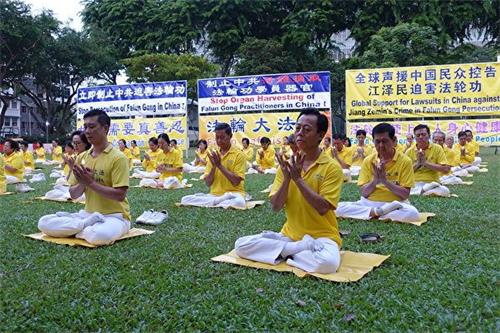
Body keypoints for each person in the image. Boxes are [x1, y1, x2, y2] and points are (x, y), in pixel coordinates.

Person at [234, 109, 343, 274]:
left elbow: (322, 208)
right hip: (290, 236)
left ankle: (283, 252)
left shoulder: (331, 167)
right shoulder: (286, 166)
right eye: (297, 128)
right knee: (241, 245)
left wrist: (298, 179)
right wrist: (287, 178)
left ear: (320, 135)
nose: (299, 134)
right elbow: (276, 206)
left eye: (306, 130)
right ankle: (296, 249)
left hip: (323, 237)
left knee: (327, 264)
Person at [38, 109, 131, 245]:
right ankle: (85, 225)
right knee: (44, 222)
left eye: (92, 127)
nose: (87, 131)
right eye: (85, 127)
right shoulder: (82, 157)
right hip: (88, 215)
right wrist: (83, 183)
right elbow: (73, 195)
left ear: (105, 128)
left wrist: (91, 183)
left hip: (115, 216)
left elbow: (120, 195)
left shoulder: (118, 158)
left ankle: (77, 228)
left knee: (100, 236)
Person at [336, 123, 420, 223]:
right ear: (373, 141)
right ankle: (378, 212)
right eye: (377, 141)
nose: (380, 145)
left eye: (384, 141)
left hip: (395, 204)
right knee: (337, 208)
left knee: (413, 214)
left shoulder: (405, 161)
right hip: (369, 203)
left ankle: (373, 214)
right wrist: (375, 180)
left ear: (393, 141)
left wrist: (385, 181)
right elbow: (364, 193)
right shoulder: (368, 160)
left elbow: (405, 195)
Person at [180, 123, 247, 209]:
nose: (219, 141)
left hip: (234, 194)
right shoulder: (214, 154)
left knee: (239, 202)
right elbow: (208, 183)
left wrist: (219, 166)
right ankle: (219, 201)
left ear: (230, 136)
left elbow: (236, 181)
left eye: (222, 137)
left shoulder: (239, 155)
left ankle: (215, 202)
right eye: (217, 138)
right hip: (214, 195)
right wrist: (214, 167)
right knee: (185, 199)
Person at [406, 124, 451, 196]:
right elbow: (405, 173)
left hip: (432, 183)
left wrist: (425, 163)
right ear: (415, 137)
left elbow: (445, 169)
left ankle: (421, 192)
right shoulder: (409, 151)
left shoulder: (437, 148)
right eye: (418, 135)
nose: (421, 137)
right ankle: (423, 192)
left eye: (423, 134)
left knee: (445, 191)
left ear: (429, 135)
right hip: (415, 184)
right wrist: (418, 163)